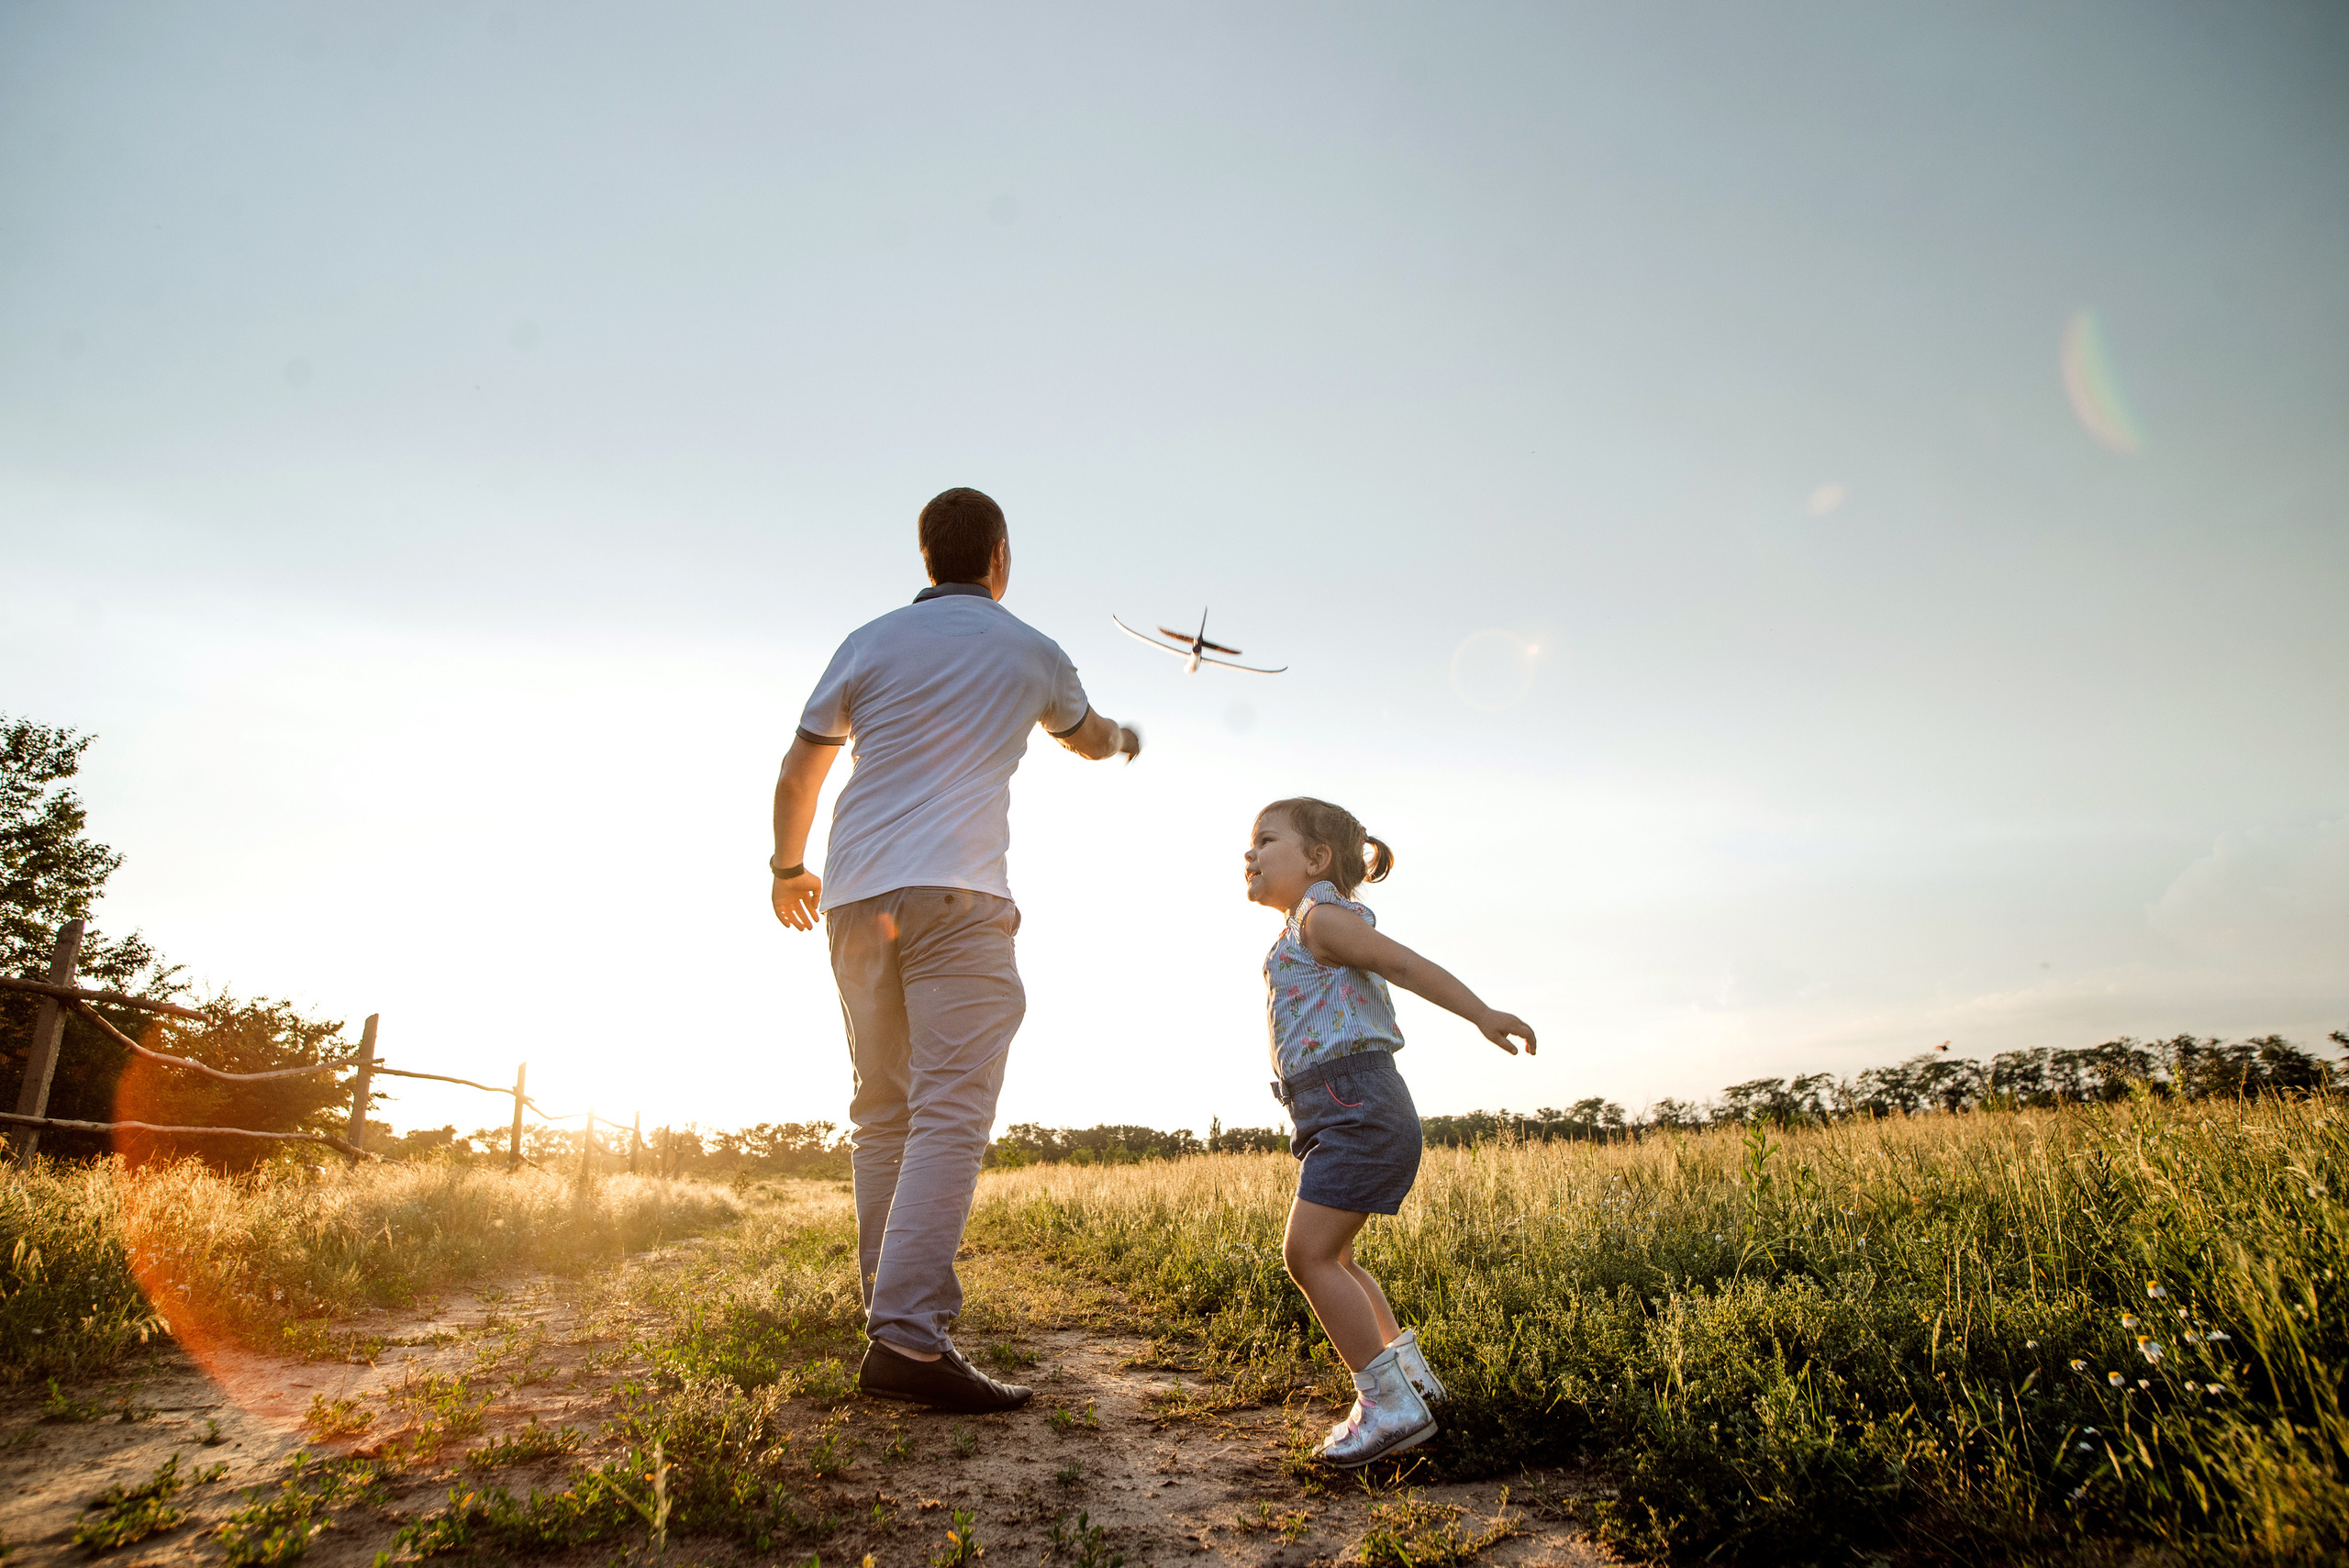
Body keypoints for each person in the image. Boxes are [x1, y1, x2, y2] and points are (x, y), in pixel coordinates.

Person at [771, 486, 1140, 1413]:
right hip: (958, 898)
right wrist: (1125, 736)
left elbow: (802, 763)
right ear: (999, 555)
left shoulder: (870, 640)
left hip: (855, 898)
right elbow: (1088, 740)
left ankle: (889, 1314)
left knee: (882, 1111)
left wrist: (786, 868)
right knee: (947, 1113)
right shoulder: (1032, 651)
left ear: (927, 554)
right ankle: (906, 1335)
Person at [1243, 796, 1536, 1466]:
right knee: (1336, 1256)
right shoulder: (1302, 927)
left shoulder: (1321, 919)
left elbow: (1402, 963)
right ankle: (1412, 1380)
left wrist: (1482, 1012)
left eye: (1265, 840)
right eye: (1249, 846)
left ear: (1316, 859)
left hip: (1355, 1105)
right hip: (1342, 1108)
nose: (1251, 855)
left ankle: (1388, 1404)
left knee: (1307, 1255)